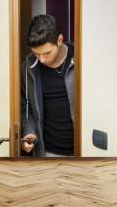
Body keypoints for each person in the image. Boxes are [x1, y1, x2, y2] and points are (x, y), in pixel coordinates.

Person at [21, 15, 74, 157]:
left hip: (83, 149)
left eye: (47, 53)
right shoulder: (28, 67)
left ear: (60, 40)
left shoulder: (82, 57)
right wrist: (29, 131)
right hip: (47, 151)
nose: (42, 59)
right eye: (36, 54)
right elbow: (26, 106)